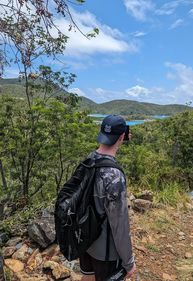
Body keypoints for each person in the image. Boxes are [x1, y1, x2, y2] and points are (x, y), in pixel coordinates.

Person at [79, 115, 136, 281]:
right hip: (106, 252)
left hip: (84, 240)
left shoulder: (88, 160)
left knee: (88, 277)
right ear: (121, 137)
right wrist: (129, 262)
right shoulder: (114, 176)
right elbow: (120, 226)